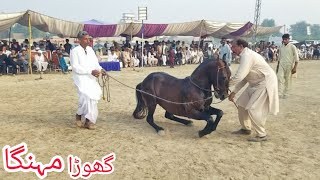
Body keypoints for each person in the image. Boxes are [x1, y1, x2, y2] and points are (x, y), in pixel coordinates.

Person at [228, 39, 279, 142]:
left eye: (233, 47)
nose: (232, 49)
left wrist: (225, 84)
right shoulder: (244, 56)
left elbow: (239, 76)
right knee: (241, 105)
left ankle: (261, 134)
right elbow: (244, 77)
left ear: (241, 46)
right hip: (254, 83)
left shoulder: (247, 56)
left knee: (252, 108)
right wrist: (234, 92)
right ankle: (246, 128)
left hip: (264, 82)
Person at [70, 31, 107, 130]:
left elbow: (95, 64)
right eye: (86, 39)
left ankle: (88, 121)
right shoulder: (74, 51)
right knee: (85, 98)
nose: (88, 40)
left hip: (91, 78)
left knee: (93, 99)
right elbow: (75, 67)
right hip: (80, 78)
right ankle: (79, 114)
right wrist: (90, 71)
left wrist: (100, 69)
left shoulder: (91, 50)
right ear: (79, 40)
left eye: (89, 38)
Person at [277, 34, 299, 99]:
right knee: (279, 78)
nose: (284, 41)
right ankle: (279, 93)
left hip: (289, 65)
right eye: (283, 39)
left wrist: (295, 68)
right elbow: (279, 57)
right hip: (281, 64)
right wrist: (278, 66)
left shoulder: (292, 47)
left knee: (287, 80)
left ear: (288, 39)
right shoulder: (281, 47)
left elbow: (296, 58)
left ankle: (286, 93)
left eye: (286, 39)